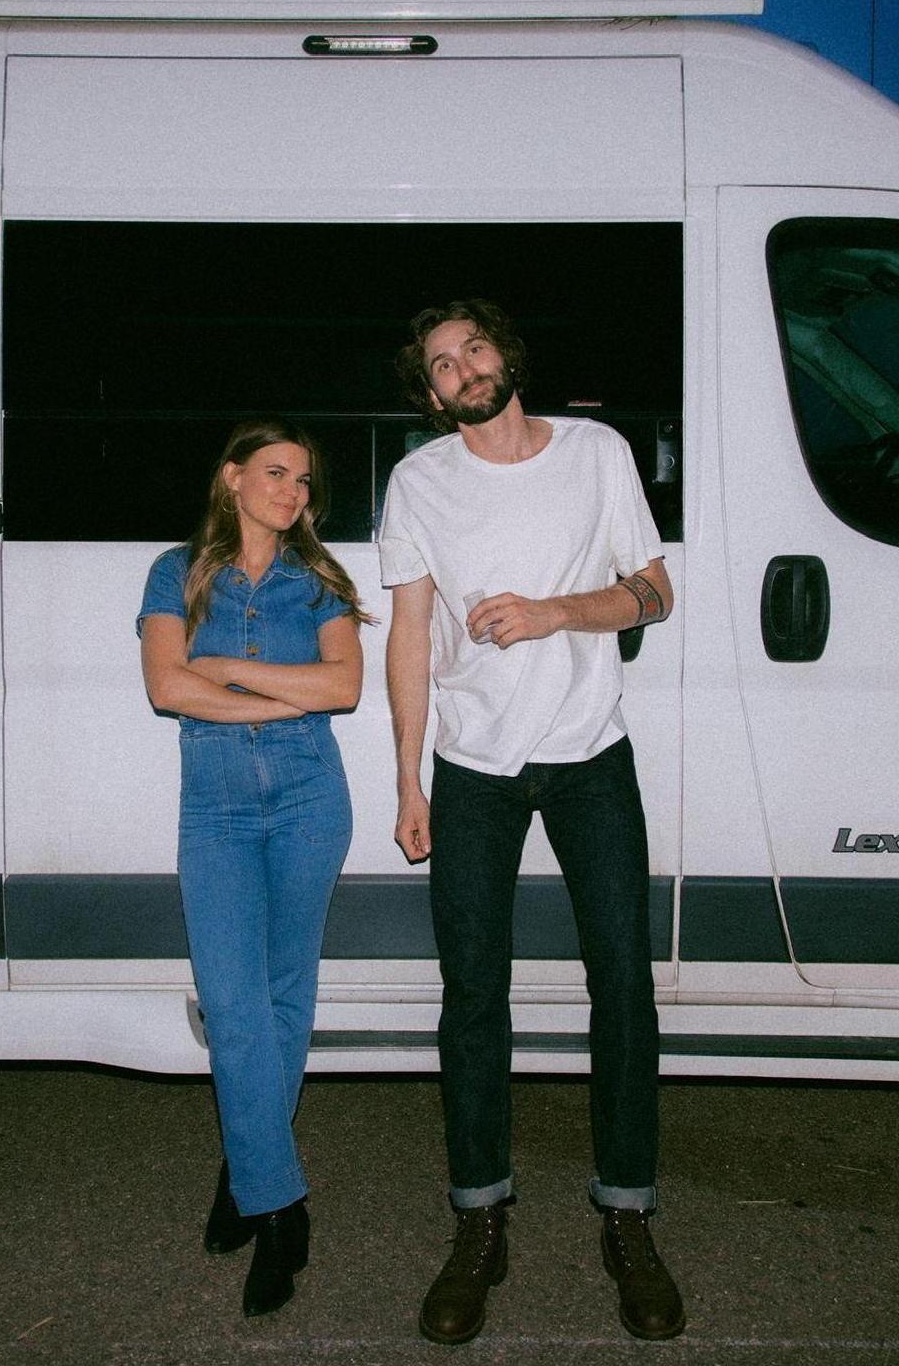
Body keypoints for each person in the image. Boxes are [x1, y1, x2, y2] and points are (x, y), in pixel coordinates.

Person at [378, 300, 683, 1344]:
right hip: (472, 766)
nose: (461, 367)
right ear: (430, 395)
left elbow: (654, 593)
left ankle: (628, 1216)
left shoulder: (596, 453)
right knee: (473, 995)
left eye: (472, 347)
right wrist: (408, 779)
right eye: (439, 364)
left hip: (591, 755)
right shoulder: (419, 483)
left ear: (504, 354)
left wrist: (557, 611)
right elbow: (409, 630)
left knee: (624, 986)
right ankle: (479, 1220)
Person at [138, 416, 372, 1318]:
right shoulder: (176, 572)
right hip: (219, 811)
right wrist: (280, 699)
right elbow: (168, 686)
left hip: (312, 803)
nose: (292, 492)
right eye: (276, 473)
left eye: (303, 481)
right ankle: (280, 1209)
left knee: (282, 998)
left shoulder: (320, 581)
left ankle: (247, 1172)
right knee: (233, 1005)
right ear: (232, 477)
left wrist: (231, 668)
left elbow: (343, 687)